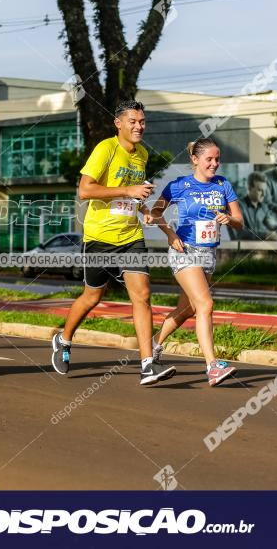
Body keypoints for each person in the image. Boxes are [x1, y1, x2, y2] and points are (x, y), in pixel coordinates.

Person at [50, 100, 176, 386]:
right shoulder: (105, 149)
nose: (139, 126)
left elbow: (133, 196)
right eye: (133, 121)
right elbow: (85, 190)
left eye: (142, 121)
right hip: (99, 237)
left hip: (131, 236)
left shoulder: (141, 154)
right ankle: (64, 338)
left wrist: (142, 209)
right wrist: (128, 188)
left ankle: (147, 365)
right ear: (118, 123)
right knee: (93, 297)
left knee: (142, 295)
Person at [148, 138, 243, 386]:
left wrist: (228, 219)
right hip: (184, 250)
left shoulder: (223, 185)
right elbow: (155, 212)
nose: (215, 164)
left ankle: (153, 346)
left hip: (208, 254)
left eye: (217, 159)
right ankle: (212, 366)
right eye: (209, 159)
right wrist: (171, 235)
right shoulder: (179, 185)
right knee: (205, 304)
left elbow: (240, 221)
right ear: (195, 160)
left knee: (188, 309)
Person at [235, 171, 277, 240]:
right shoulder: (239, 206)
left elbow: (272, 226)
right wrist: (265, 235)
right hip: (248, 248)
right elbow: (240, 233)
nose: (264, 195)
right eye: (260, 190)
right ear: (249, 188)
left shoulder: (264, 207)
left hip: (264, 246)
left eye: (265, 191)